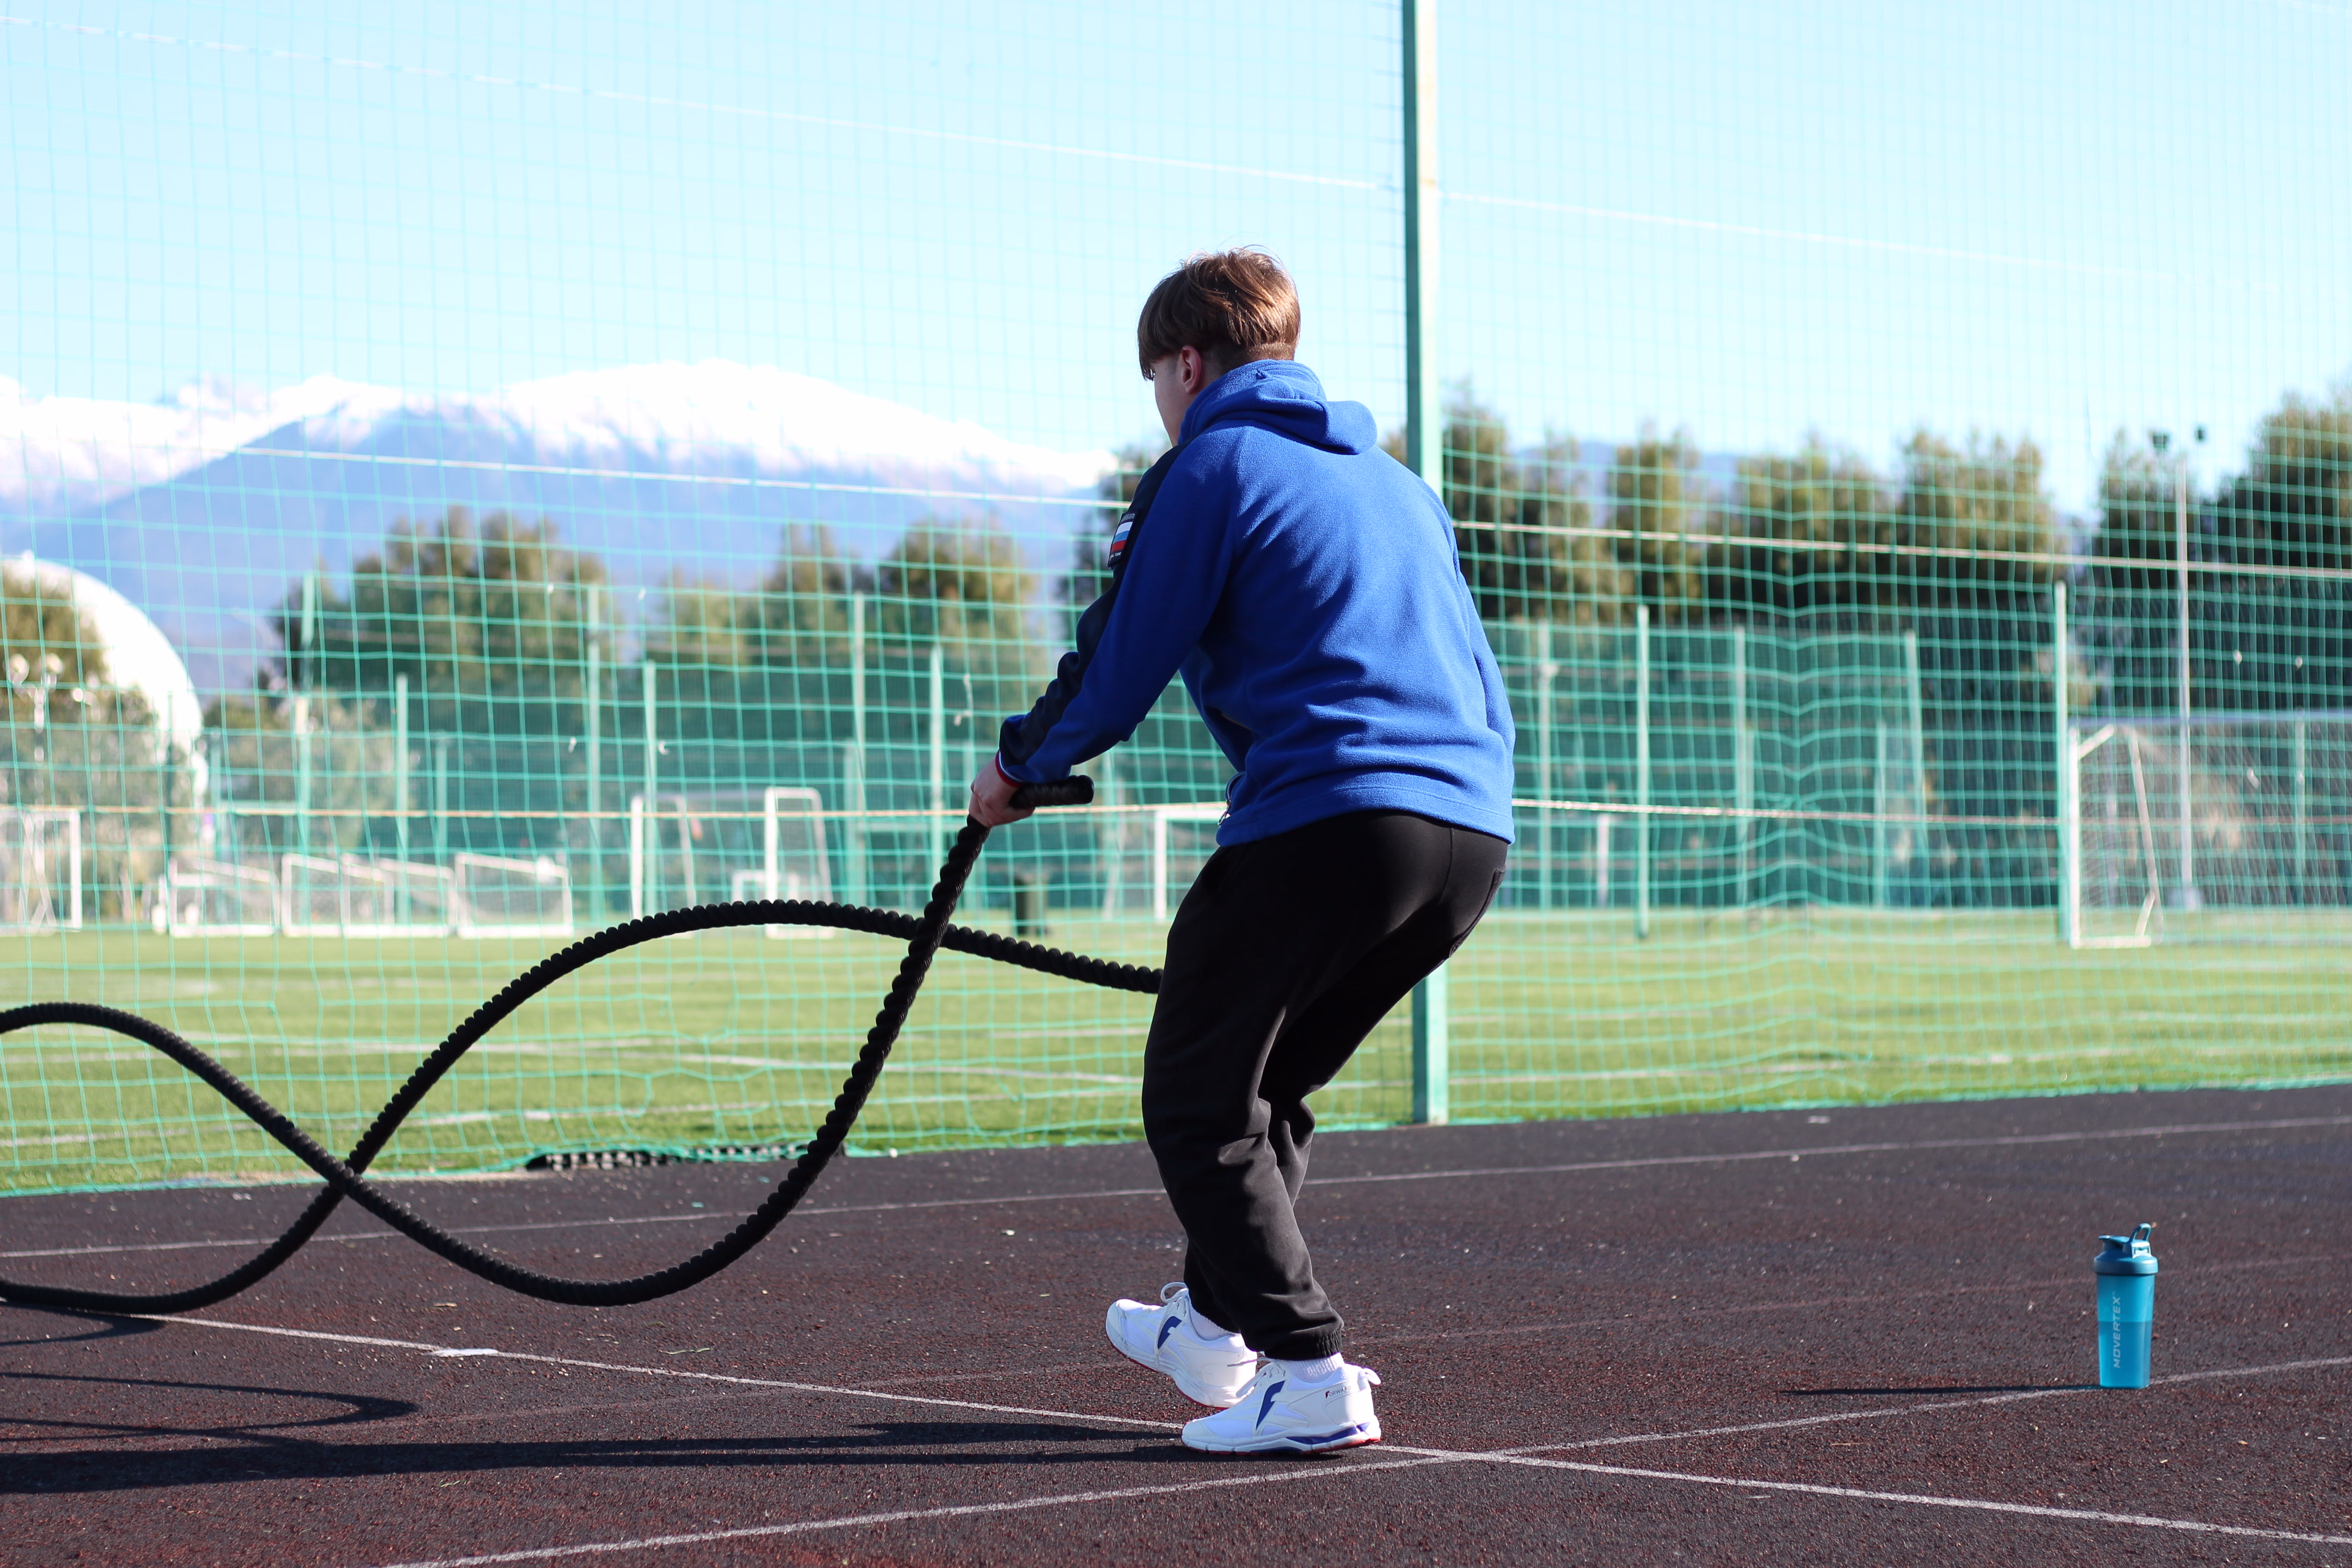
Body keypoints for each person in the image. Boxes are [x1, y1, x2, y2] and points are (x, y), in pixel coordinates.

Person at [970, 248, 1514, 1454]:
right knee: (1267, 1091)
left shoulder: (1211, 463)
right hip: (1468, 836)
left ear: (1187, 363)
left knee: (1196, 1100)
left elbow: (1123, 654)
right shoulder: (1398, 484)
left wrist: (1017, 766)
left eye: (1157, 384)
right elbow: (1480, 673)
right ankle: (1218, 1330)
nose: (1160, 408)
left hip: (1329, 818)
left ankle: (1311, 1373)